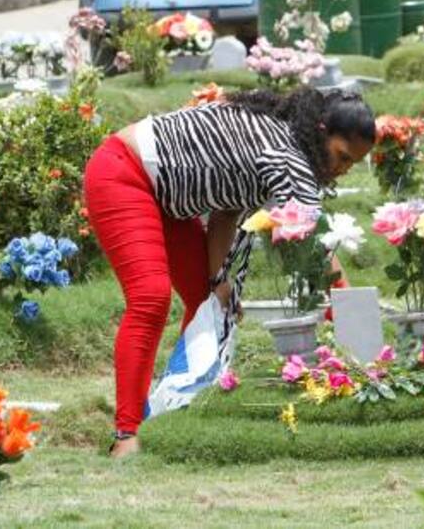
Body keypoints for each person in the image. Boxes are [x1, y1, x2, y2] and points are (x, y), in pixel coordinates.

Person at [83, 88, 375, 458]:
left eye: (352, 164)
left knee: (209, 301)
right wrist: (354, 320)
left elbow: (225, 212)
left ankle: (180, 409)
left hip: (169, 198)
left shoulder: (281, 139)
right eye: (341, 156)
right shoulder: (290, 158)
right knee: (150, 299)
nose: (342, 169)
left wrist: (218, 280)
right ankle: (126, 435)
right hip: (124, 173)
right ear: (320, 131)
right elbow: (314, 244)